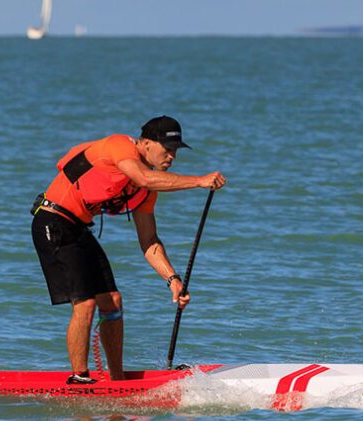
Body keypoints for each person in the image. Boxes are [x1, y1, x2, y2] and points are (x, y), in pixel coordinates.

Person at [31, 115, 226, 384]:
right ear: (145, 144)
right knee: (86, 302)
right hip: (52, 222)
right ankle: (79, 378)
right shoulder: (120, 146)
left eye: (175, 152)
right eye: (166, 150)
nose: (171, 157)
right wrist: (199, 181)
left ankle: (117, 380)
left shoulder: (146, 190)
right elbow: (145, 178)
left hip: (78, 229)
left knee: (113, 302)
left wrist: (173, 279)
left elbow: (149, 241)